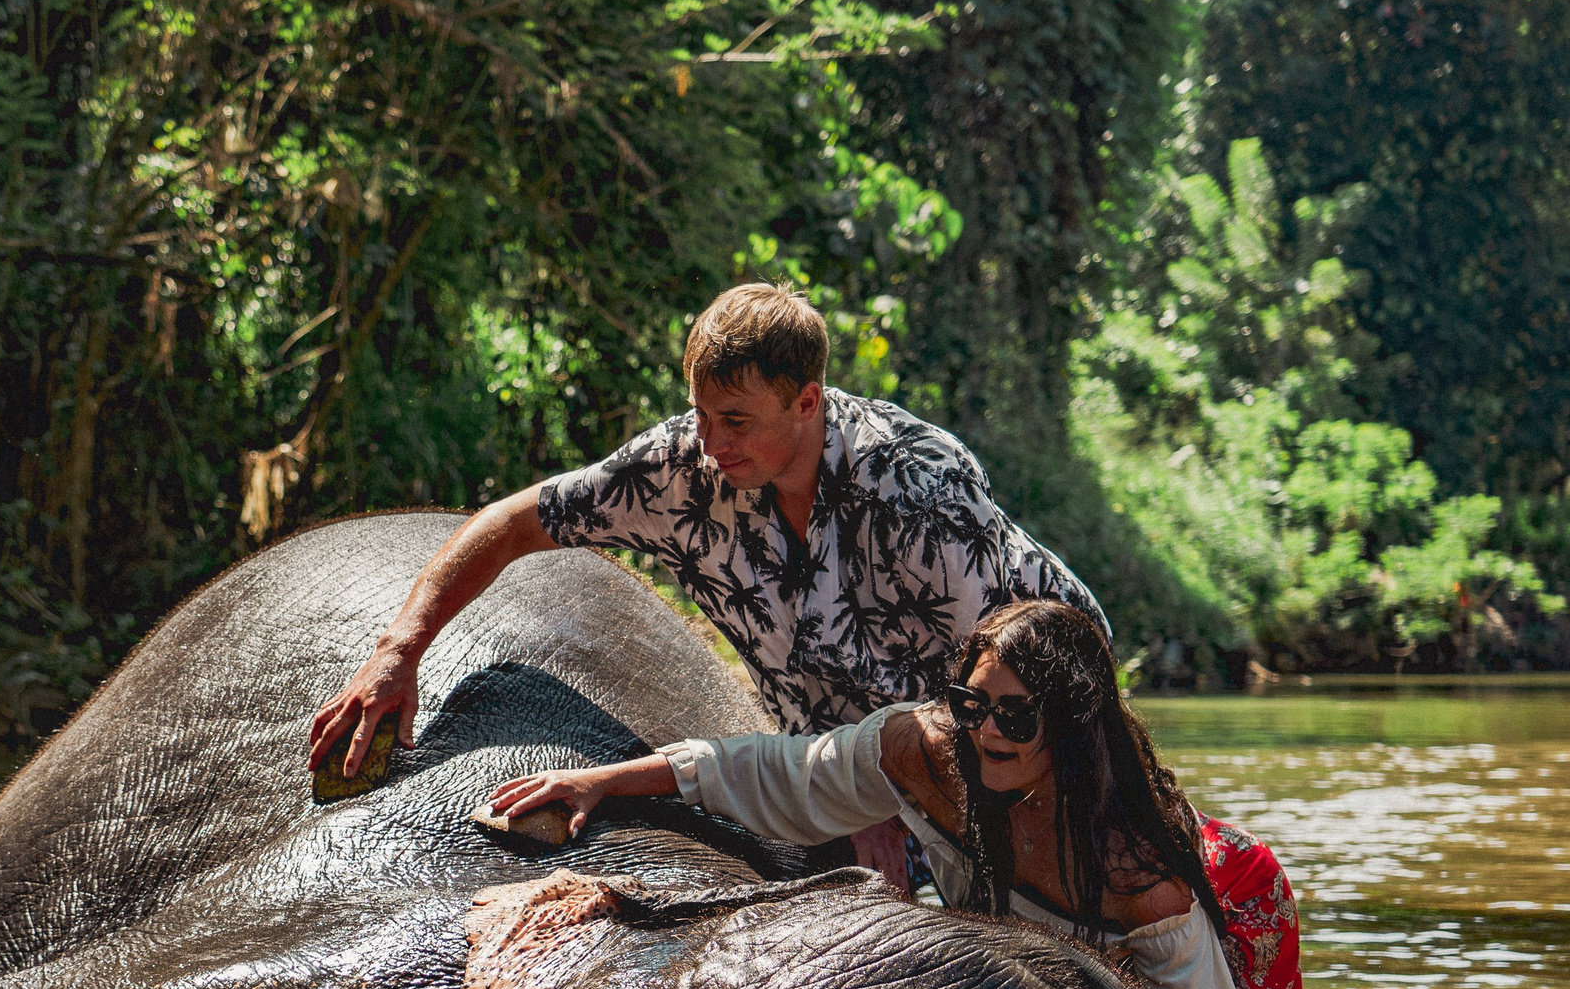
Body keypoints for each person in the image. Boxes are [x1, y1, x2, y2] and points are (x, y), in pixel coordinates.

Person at [307, 282, 1104, 880]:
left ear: (807, 401)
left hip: (1034, 725)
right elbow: (514, 523)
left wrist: (888, 791)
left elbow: (998, 694)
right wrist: (399, 647)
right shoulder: (682, 469)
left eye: (735, 421)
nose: (711, 442)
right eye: (700, 414)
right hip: (836, 755)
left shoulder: (915, 486)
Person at [481, 599, 1311, 989]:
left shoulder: (1139, 877)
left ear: (1073, 727)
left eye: (1016, 717)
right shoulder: (930, 753)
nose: (986, 731)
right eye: (972, 702)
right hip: (1043, 959)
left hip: (1230, 894)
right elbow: (780, 775)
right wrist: (607, 782)